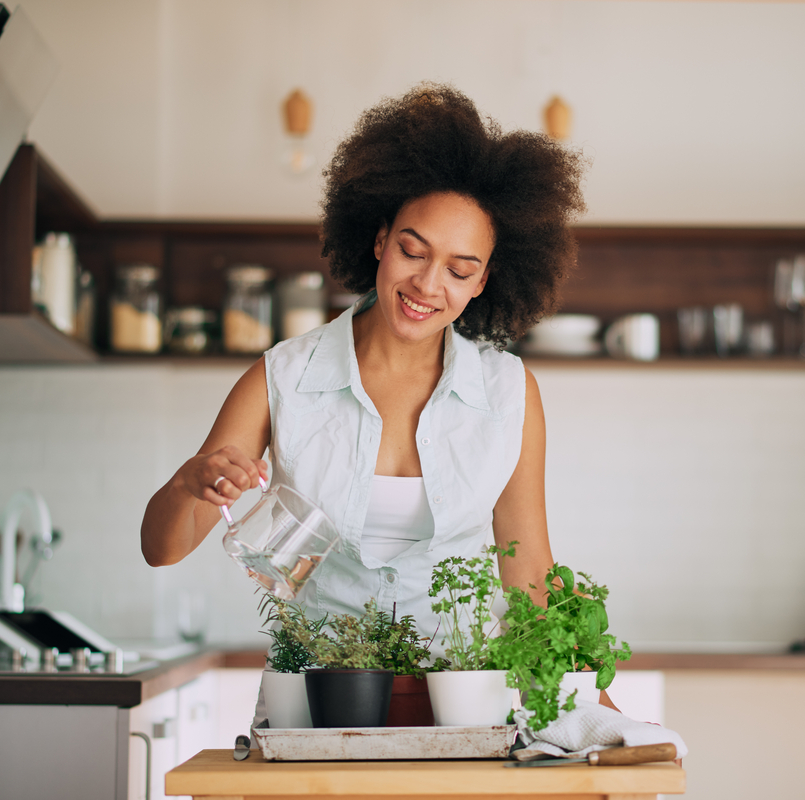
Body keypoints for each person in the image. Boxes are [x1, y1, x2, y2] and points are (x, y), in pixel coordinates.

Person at [140, 84, 586, 647]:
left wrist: (595, 706)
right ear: (379, 241)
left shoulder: (509, 393)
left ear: (482, 282)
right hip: (315, 703)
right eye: (413, 251)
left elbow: (531, 577)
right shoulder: (281, 378)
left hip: (457, 702)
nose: (427, 284)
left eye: (459, 268)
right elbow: (163, 550)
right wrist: (189, 482)